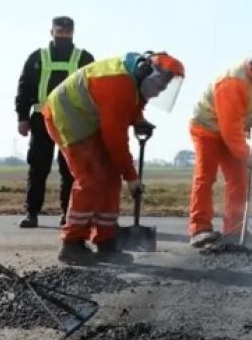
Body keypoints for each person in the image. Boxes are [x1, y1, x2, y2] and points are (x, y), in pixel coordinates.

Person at [41, 51, 185, 265]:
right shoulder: (118, 84)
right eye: (161, 83)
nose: (162, 90)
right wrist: (131, 176)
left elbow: (132, 105)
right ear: (148, 71)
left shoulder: (133, 81)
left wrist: (138, 119)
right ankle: (72, 244)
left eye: (166, 86)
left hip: (90, 118)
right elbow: (115, 137)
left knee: (110, 178)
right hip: (68, 116)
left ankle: (106, 241)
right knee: (91, 178)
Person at [187, 47, 252, 248]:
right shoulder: (232, 82)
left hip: (231, 132)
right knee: (205, 177)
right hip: (207, 128)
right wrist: (246, 155)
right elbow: (229, 128)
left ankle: (235, 229)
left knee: (239, 178)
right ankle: (199, 229)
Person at [14, 16, 95, 229]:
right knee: (38, 167)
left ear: (73, 33)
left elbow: (93, 90)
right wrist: (22, 117)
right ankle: (32, 213)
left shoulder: (84, 58)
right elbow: (25, 88)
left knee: (70, 168)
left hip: (73, 120)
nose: (63, 36)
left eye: (67, 33)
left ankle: (68, 214)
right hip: (42, 119)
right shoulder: (38, 57)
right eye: (60, 32)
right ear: (51, 32)